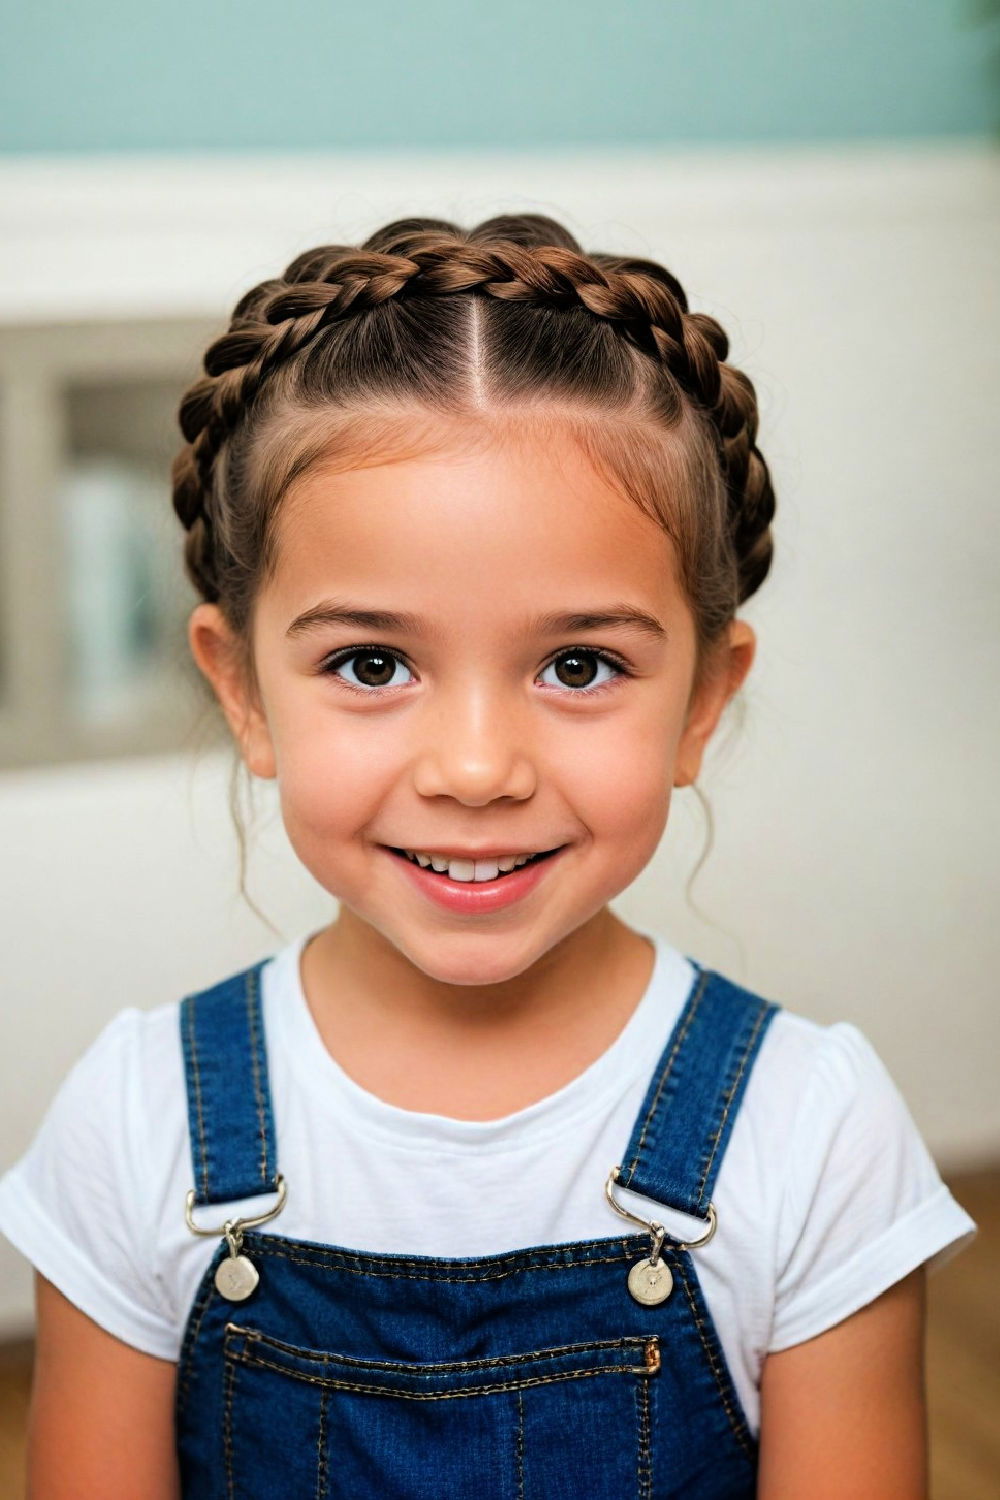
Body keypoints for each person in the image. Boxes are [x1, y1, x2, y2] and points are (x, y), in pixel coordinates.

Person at [0, 213, 977, 1499]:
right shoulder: (136, 1122)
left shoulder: (813, 1132)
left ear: (702, 701)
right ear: (240, 690)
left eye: (578, 665)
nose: (474, 769)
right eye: (371, 664)